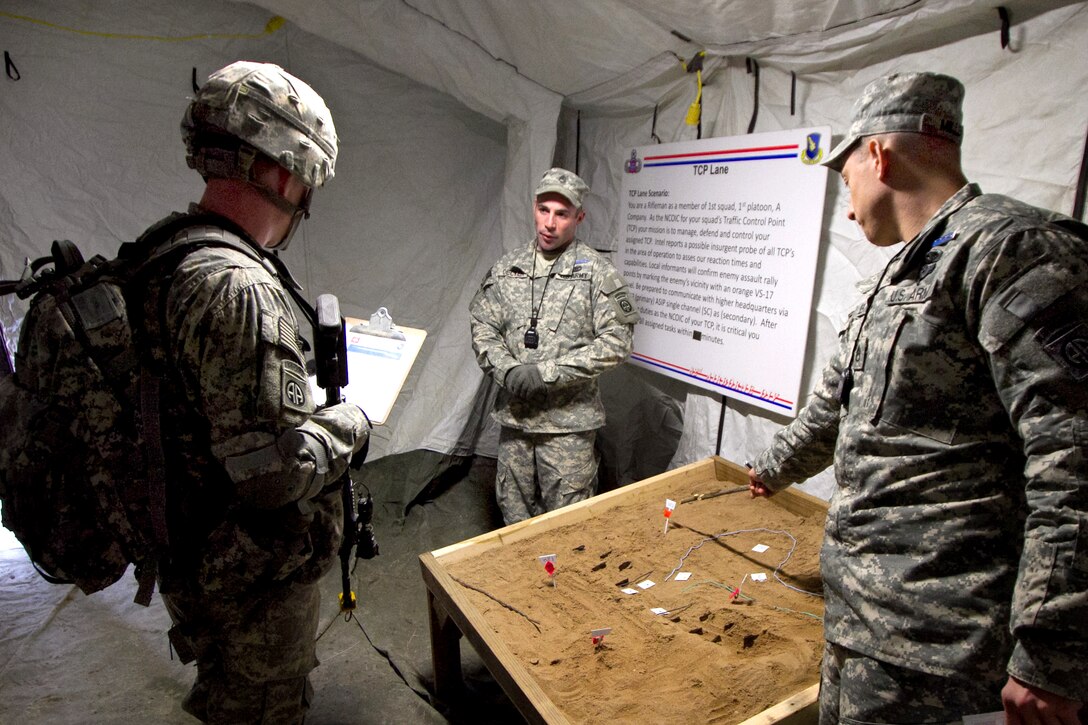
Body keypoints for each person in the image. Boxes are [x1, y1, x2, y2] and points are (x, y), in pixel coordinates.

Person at [747, 72, 1087, 723]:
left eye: (845, 180)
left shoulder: (1012, 251)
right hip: (864, 623)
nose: (848, 207)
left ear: (878, 155)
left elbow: (1073, 456)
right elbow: (833, 411)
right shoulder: (896, 281)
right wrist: (770, 469)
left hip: (941, 646)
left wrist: (1052, 652)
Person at [146, 61, 369, 723]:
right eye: (306, 181)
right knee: (260, 704)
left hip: (190, 551)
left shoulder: (163, 253)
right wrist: (351, 424)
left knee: (229, 690)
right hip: (247, 576)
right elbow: (274, 474)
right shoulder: (239, 287)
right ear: (281, 172)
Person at [470, 168, 639, 525]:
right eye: (544, 210)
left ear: (579, 217)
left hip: (568, 428)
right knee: (514, 518)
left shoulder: (597, 273)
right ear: (533, 208)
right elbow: (483, 326)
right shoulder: (508, 268)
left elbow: (618, 342)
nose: (550, 223)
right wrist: (507, 369)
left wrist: (546, 373)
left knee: (566, 524)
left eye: (561, 214)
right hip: (516, 422)